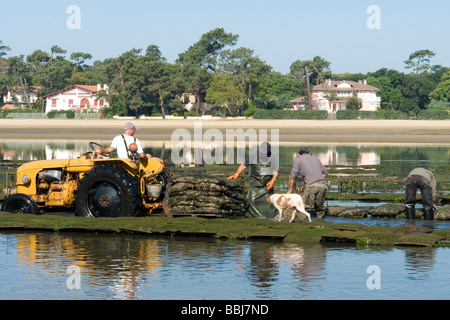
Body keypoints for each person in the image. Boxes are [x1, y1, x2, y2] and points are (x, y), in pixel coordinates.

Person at [227, 142, 279, 219]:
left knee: (269, 203)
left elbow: (276, 171)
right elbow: (243, 166)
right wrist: (237, 174)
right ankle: (251, 216)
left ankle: (271, 216)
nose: (262, 154)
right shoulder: (253, 155)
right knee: (252, 201)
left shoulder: (273, 157)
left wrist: (273, 180)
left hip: (267, 185)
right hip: (255, 183)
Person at [288, 147, 328, 218]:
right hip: (323, 185)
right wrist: (319, 179)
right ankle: (320, 221)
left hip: (311, 186)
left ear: (298, 155)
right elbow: (325, 172)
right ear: (309, 153)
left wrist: (290, 190)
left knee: (303, 206)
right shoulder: (316, 159)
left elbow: (292, 176)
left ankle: (302, 222)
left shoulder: (298, 160)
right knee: (320, 209)